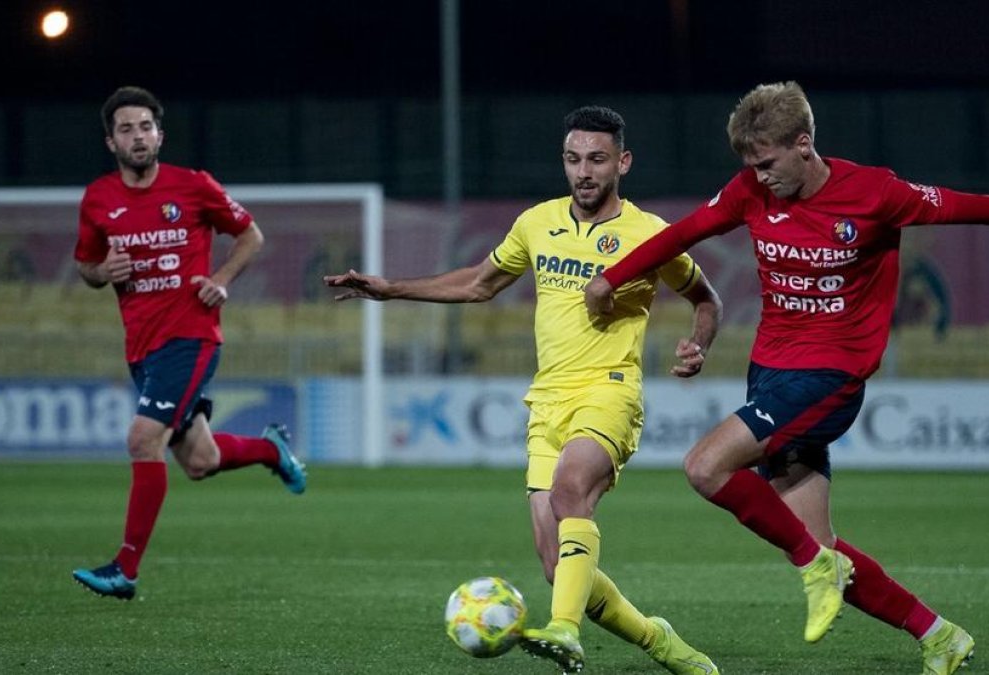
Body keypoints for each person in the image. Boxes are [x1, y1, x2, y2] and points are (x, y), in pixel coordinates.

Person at [584, 82, 989, 674]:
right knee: (820, 547)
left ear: (804, 144)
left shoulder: (876, 194)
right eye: (749, 166)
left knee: (704, 466)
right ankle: (939, 635)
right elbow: (683, 233)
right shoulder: (750, 190)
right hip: (770, 372)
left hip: (832, 374)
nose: (758, 177)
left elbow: (977, 206)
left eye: (767, 164)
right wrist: (611, 278)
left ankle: (816, 567)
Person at [324, 106, 723, 674]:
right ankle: (660, 641)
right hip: (547, 399)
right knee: (559, 568)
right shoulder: (537, 223)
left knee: (570, 494)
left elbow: (706, 298)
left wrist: (698, 343)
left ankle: (564, 630)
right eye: (573, 159)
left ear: (622, 163)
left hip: (609, 390)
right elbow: (480, 284)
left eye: (597, 159)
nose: (583, 171)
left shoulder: (649, 233)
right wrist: (390, 289)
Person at [72, 86, 307, 600]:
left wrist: (221, 279)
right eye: (126, 129)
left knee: (142, 439)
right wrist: (99, 271)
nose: (138, 136)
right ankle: (272, 450)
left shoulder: (193, 186)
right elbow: (87, 266)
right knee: (199, 461)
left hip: (191, 335)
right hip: (141, 346)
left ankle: (125, 570)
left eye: (145, 127)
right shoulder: (98, 199)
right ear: (111, 142)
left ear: (160, 134)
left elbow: (251, 235)